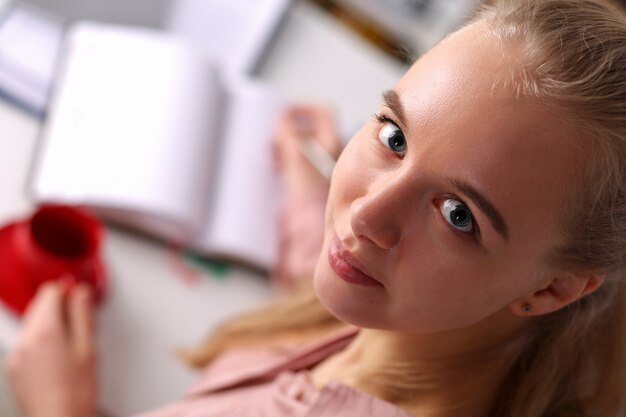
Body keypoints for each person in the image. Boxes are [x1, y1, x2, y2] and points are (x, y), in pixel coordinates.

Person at [6, 0, 626, 416]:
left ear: (551, 290)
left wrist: (59, 406)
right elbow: (322, 303)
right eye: (395, 136)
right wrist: (311, 189)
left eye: (458, 214)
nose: (363, 217)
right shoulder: (427, 321)